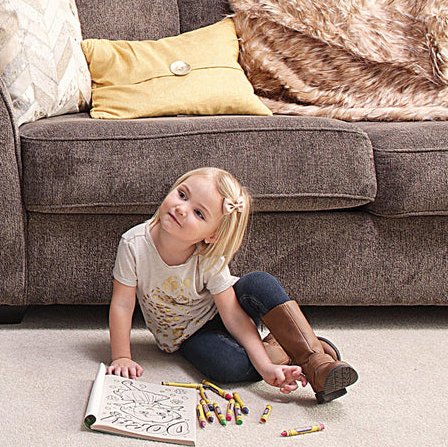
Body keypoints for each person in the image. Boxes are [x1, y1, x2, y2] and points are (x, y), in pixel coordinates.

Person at [108, 167, 357, 402]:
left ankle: (316, 362)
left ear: (212, 236)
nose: (182, 208)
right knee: (226, 367)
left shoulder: (208, 256)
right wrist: (121, 356)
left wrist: (264, 368)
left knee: (260, 282)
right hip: (189, 335)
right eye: (182, 194)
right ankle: (284, 348)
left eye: (199, 213)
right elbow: (122, 304)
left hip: (228, 309)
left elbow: (234, 317)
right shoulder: (134, 244)